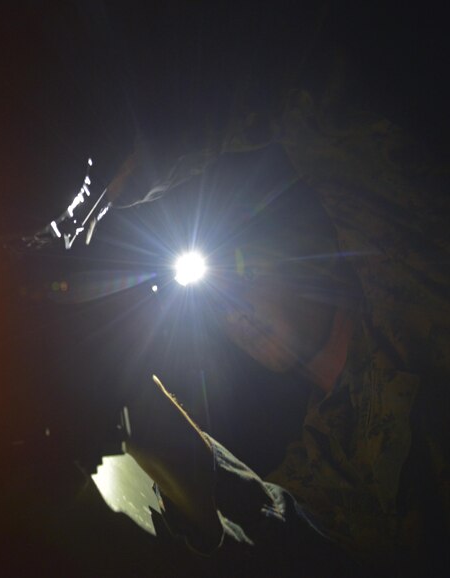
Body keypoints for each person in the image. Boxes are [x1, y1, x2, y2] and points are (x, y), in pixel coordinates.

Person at [107, 90, 450, 575]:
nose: (234, 312)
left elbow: (312, 93)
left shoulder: (418, 281)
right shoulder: (323, 462)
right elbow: (284, 543)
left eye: (243, 274)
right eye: (217, 306)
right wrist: (149, 416)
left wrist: (134, 161)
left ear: (307, 255)